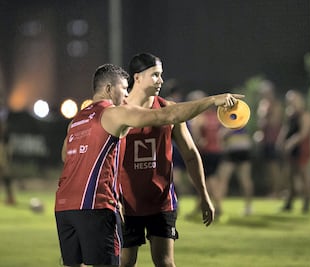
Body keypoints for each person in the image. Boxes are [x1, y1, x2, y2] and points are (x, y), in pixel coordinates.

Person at [54, 63, 242, 267]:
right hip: (95, 206)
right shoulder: (113, 113)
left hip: (64, 208)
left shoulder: (76, 121)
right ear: (108, 89)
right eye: (123, 88)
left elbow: (67, 156)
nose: (126, 95)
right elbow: (166, 116)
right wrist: (213, 100)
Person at [119, 53, 217, 267]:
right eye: (155, 75)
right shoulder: (117, 111)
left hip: (161, 201)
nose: (161, 81)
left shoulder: (169, 110)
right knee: (125, 263)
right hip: (125, 203)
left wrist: (203, 194)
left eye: (161, 75)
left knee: (165, 263)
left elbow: (191, 154)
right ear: (137, 77)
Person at [185, 90, 224, 219]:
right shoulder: (214, 116)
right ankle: (200, 206)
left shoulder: (199, 117)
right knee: (207, 180)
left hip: (206, 152)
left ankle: (218, 206)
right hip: (216, 151)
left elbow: (196, 136)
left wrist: (196, 143)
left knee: (207, 180)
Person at [276, 90, 310, 213]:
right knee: (291, 175)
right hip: (291, 149)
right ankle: (290, 202)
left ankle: (307, 201)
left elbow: (304, 133)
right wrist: (281, 141)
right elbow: (286, 128)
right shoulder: (290, 114)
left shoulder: (305, 115)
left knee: (303, 175)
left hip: (302, 148)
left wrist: (292, 142)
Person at [213, 127, 254, 217]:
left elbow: (223, 134)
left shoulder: (226, 116)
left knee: (223, 179)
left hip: (233, 147)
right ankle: (249, 207)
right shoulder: (243, 115)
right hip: (244, 146)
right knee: (245, 179)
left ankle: (218, 207)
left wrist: (222, 142)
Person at [254, 80, 284, 198]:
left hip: (274, 139)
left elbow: (275, 122)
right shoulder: (263, 104)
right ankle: (272, 191)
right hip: (265, 140)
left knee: (274, 167)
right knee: (268, 167)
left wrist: (264, 122)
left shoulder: (276, 105)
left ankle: (277, 192)